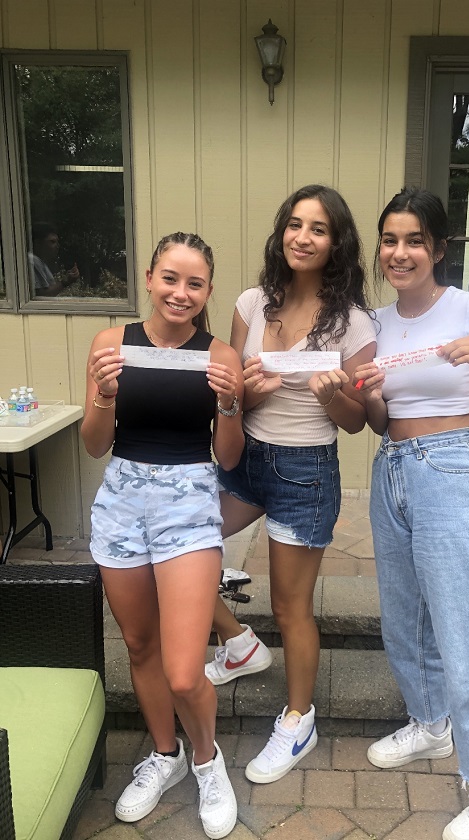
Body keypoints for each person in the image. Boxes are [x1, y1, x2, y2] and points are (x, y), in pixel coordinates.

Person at [353, 188, 469, 840]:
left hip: (452, 468)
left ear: (439, 249)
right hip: (391, 470)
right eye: (391, 240)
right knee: (404, 618)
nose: (400, 253)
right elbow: (379, 420)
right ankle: (431, 725)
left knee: (464, 630)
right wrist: (367, 396)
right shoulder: (374, 322)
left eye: (414, 241)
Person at [205, 184, 376, 784]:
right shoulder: (252, 303)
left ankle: (299, 719)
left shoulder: (354, 322)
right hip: (245, 459)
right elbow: (228, 391)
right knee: (182, 550)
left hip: (305, 470)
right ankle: (238, 644)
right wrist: (247, 391)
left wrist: (335, 398)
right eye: (295, 225)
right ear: (282, 233)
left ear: (337, 244)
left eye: (319, 229)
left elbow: (360, 422)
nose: (304, 237)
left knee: (290, 605)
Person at [81, 232, 244, 838]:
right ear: (149, 279)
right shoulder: (110, 344)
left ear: (206, 292)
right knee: (141, 646)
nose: (181, 293)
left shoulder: (219, 356)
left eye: (195, 283)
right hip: (122, 500)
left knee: (183, 669)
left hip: (188, 502)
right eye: (170, 278)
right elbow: (96, 443)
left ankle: (208, 759)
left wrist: (230, 406)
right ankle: (165, 754)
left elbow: (228, 459)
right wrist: (102, 395)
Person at [28, 222, 80, 296]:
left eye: (57, 242)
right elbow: (41, 296)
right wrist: (65, 282)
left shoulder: (40, 262)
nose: (57, 246)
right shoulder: (32, 261)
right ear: (38, 243)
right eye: (52, 242)